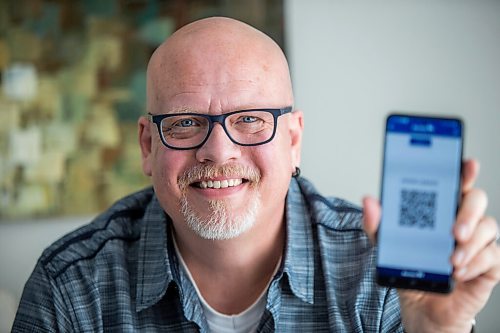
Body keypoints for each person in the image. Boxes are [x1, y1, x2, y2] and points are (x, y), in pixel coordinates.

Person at [13, 17, 499, 332]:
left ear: (292, 141)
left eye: (250, 119)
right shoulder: (70, 286)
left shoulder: (382, 273)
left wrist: (439, 332)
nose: (218, 150)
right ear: (147, 145)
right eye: (185, 122)